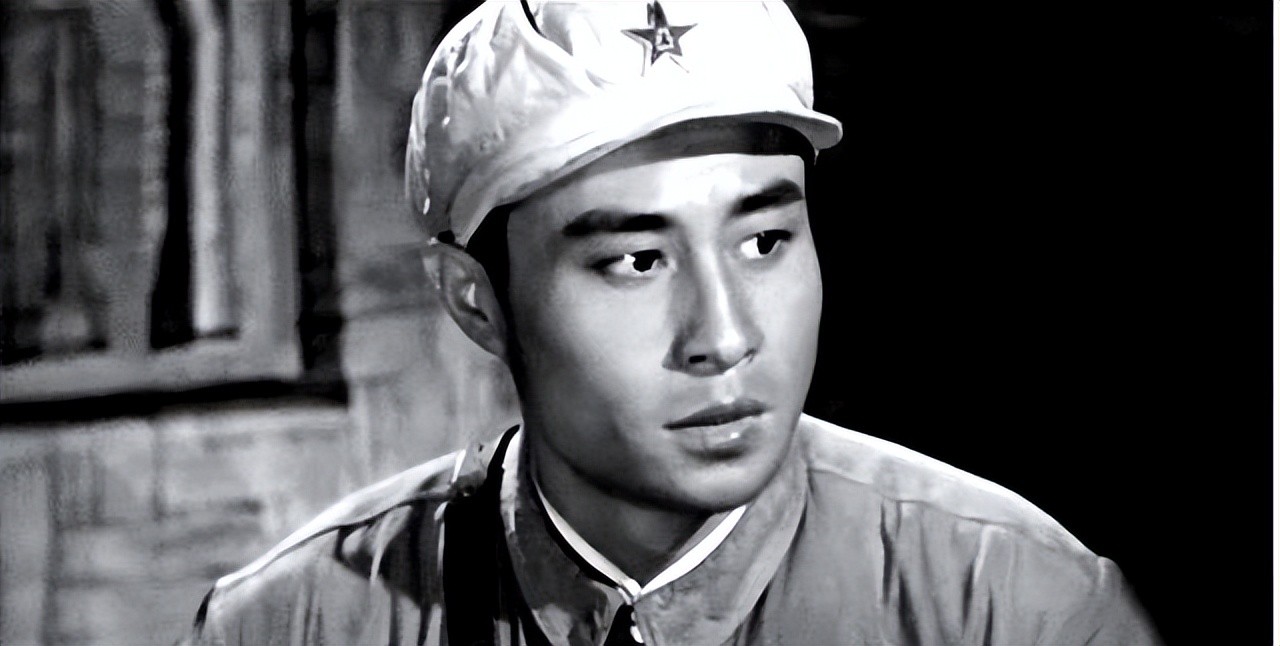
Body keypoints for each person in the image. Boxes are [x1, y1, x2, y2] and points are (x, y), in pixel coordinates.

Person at [185, 2, 1162, 644]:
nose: (725, 336)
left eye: (763, 241)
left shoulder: (1014, 604)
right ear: (475, 300)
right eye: (635, 261)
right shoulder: (292, 625)